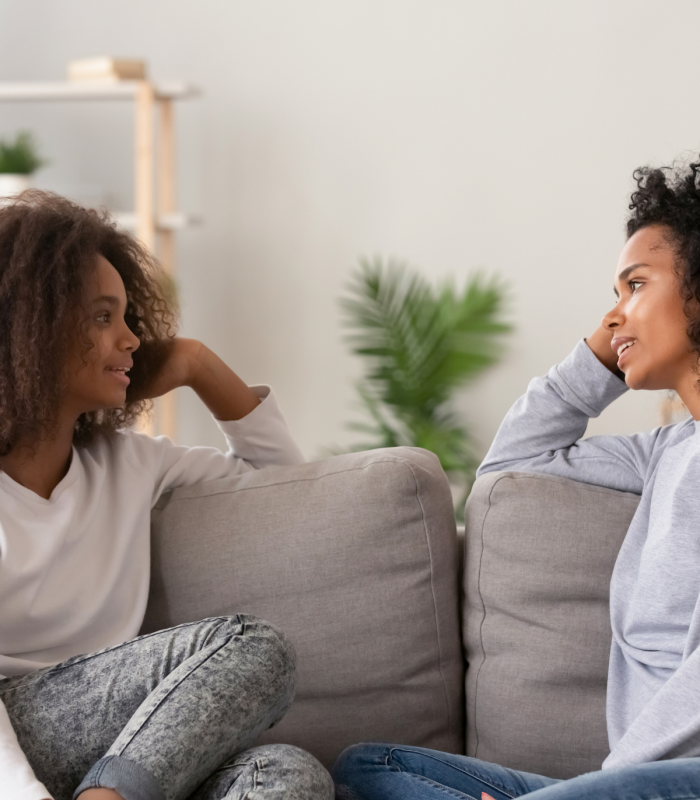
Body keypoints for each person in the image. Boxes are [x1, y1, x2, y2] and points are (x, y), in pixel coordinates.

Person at [332, 156, 700, 800]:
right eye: (614, 296)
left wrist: (612, 782)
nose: (616, 319)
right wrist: (597, 360)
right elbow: (512, 465)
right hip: (628, 784)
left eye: (636, 285)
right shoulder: (666, 452)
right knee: (368, 768)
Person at [0, 191, 334, 800]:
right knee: (253, 647)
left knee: (284, 774)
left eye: (129, 317)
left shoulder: (133, 462)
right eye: (103, 318)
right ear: (31, 329)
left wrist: (198, 365)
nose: (131, 339)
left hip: (123, 749)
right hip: (16, 740)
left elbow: (283, 486)